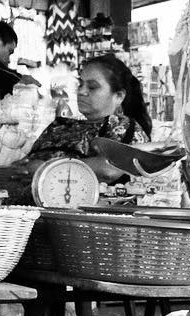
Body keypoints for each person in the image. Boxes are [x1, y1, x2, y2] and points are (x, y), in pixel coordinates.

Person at [9, 53, 153, 203]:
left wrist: (45, 168)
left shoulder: (125, 128)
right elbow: (22, 167)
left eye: (92, 87)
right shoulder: (60, 126)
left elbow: (108, 170)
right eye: (81, 84)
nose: (82, 91)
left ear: (119, 96)